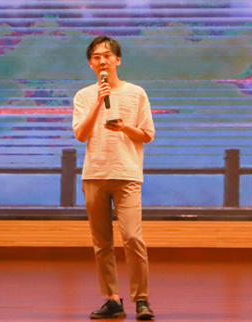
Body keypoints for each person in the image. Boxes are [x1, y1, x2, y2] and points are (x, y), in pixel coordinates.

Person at [72, 36, 156, 321]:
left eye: (108, 55)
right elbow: (81, 134)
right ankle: (112, 299)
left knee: (132, 237)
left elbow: (147, 134)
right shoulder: (84, 96)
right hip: (94, 174)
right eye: (97, 57)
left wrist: (123, 128)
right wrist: (98, 102)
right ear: (91, 64)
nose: (102, 61)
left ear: (118, 60)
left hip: (127, 173)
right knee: (102, 243)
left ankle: (141, 299)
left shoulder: (136, 93)